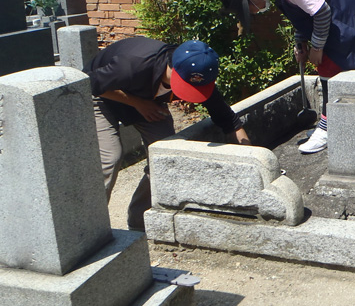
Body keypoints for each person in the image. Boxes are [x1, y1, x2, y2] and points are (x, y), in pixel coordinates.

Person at [85, 37, 250, 231]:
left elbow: (228, 119)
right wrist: (137, 103)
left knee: (165, 157)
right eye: (186, 87)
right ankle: (89, 231)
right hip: (105, 95)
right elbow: (87, 83)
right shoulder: (133, 64)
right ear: (172, 68)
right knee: (110, 158)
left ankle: (138, 221)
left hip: (148, 99)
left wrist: (250, 159)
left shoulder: (197, 74)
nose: (190, 93)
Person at [218, 0, 355, 154]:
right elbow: (300, 13)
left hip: (348, 7)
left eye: (251, 11)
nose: (256, 14)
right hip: (333, 9)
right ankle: (331, 122)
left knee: (328, 61)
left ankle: (328, 128)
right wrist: (300, 40)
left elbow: (320, 12)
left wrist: (316, 47)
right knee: (327, 64)